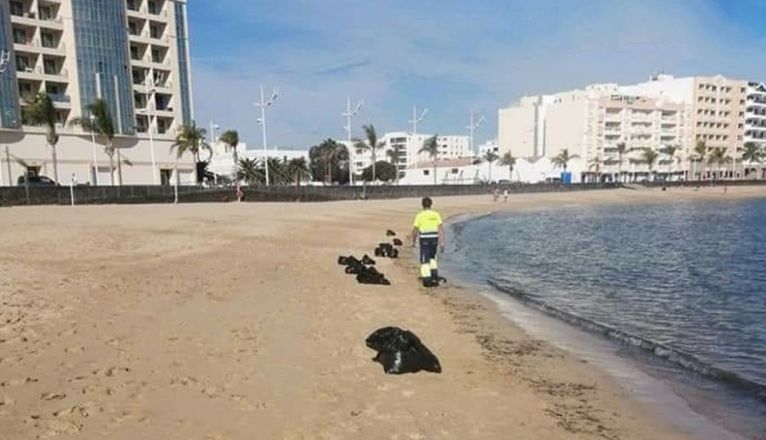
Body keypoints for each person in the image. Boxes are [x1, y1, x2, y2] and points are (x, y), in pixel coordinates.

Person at [411, 197, 445, 287]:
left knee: (424, 259)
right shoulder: (436, 214)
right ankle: (434, 275)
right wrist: (442, 243)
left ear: (422, 205)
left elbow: (415, 229)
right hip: (434, 238)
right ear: (431, 204)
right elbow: (440, 229)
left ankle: (426, 278)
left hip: (424, 238)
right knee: (433, 257)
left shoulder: (420, 215)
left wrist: (413, 241)